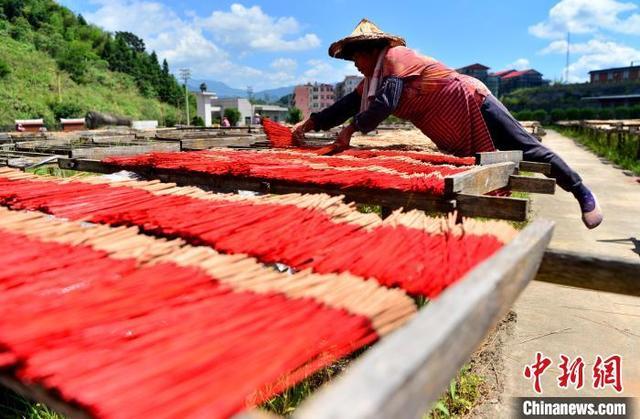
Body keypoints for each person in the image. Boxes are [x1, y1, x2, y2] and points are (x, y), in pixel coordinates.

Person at [292, 19, 602, 229]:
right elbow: (344, 107)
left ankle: (581, 191)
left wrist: (351, 129)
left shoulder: (395, 57)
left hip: (472, 101)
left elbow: (385, 104)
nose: (356, 65)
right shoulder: (372, 81)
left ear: (372, 50)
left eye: (357, 58)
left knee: (526, 150)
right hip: (448, 124)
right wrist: (311, 122)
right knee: (473, 163)